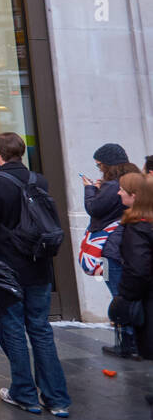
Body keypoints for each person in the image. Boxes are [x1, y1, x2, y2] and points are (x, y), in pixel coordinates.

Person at [0, 132, 71, 416]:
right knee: (41, 330)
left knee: (13, 331)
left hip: (7, 270)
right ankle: (57, 398)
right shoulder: (38, 180)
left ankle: (25, 394)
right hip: (39, 267)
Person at [84, 144, 140, 357]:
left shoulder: (113, 186)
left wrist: (90, 189)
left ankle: (128, 341)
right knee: (129, 291)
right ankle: (134, 338)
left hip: (109, 248)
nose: (100, 170)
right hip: (131, 247)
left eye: (100, 165)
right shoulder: (135, 181)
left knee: (117, 292)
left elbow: (94, 209)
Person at [110, 172, 153, 361]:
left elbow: (138, 268)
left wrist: (125, 296)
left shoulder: (137, 227)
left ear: (134, 195)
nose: (119, 193)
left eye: (122, 190)